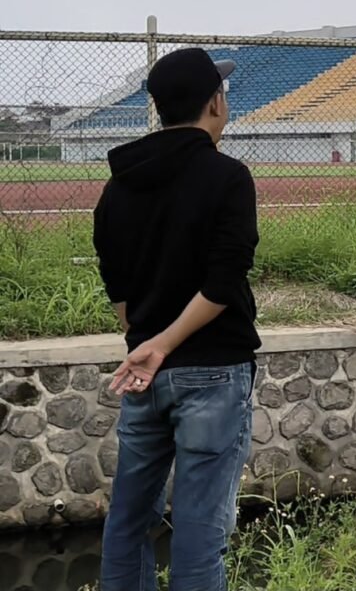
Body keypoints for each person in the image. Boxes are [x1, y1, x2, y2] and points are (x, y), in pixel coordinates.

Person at [96, 48, 260, 591]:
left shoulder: (118, 186)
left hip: (143, 373)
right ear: (215, 102)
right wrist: (165, 342)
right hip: (213, 370)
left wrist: (146, 340)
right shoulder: (228, 177)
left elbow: (119, 287)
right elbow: (222, 283)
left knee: (127, 521)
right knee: (199, 529)